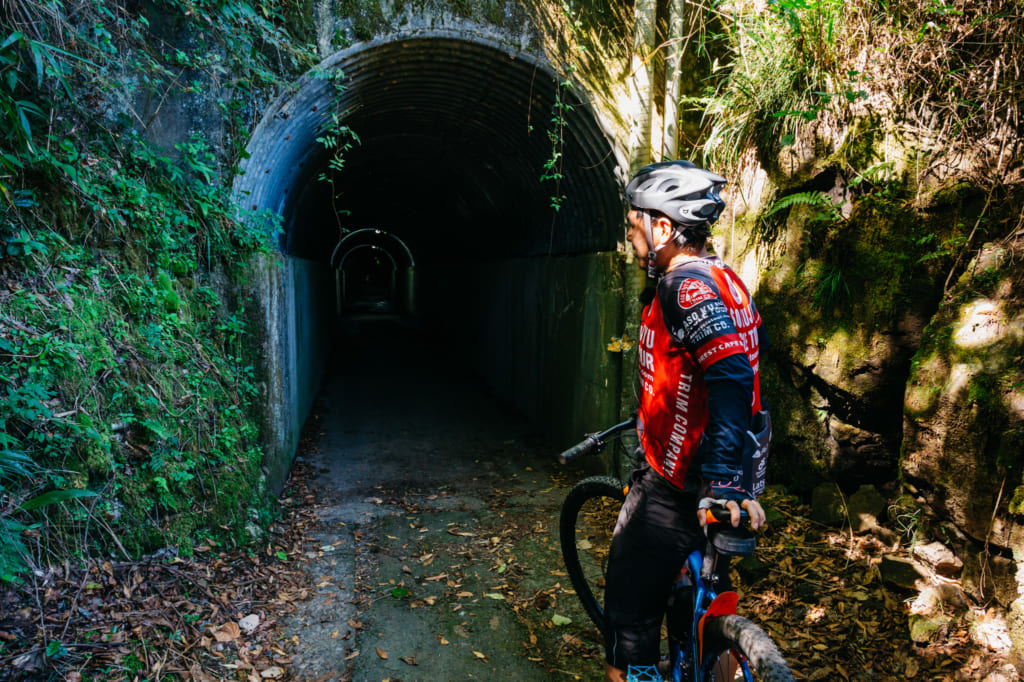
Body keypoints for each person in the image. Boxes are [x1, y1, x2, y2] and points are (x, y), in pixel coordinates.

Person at [603, 160, 768, 682]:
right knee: (697, 606)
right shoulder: (724, 278)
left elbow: (731, 376)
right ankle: (708, 655)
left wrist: (717, 482)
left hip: (684, 485)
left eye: (634, 226)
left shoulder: (684, 288)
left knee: (626, 606)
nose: (630, 238)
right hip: (732, 478)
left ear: (664, 229)